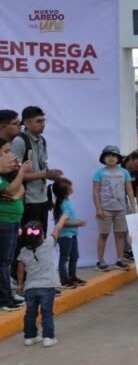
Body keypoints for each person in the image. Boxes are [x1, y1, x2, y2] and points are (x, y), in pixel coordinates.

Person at [16, 215, 69, 347]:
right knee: (46, 313)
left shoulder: (23, 251)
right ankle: (48, 337)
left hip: (30, 288)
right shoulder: (48, 244)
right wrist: (63, 217)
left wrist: (20, 284)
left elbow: (20, 269)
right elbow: (57, 229)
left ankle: (30, 337)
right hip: (47, 286)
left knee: (30, 313)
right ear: (41, 235)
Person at [11, 106, 63, 232]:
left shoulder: (42, 141)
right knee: (27, 241)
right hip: (27, 200)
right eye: (38, 121)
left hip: (42, 198)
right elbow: (14, 175)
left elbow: (43, 168)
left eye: (44, 121)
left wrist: (54, 176)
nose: (43, 124)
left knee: (41, 239)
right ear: (27, 123)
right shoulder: (19, 141)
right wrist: (45, 175)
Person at [92, 146, 136, 271]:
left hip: (121, 208)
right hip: (105, 209)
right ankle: (100, 261)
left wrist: (132, 206)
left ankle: (120, 259)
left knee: (120, 234)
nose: (111, 158)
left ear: (118, 158)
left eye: (114, 156)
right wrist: (98, 209)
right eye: (108, 156)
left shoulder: (124, 172)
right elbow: (95, 192)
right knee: (103, 234)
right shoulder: (100, 173)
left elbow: (129, 190)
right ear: (103, 158)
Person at [0, 148, 30, 311]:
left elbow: (19, 190)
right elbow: (11, 189)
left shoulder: (9, 175)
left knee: (7, 261)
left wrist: (16, 194)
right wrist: (23, 171)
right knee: (3, 263)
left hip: (13, 222)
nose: (10, 156)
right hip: (4, 222)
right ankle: (5, 299)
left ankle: (7, 296)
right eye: (6, 152)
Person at [51, 178, 85, 288]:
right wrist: (77, 224)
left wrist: (76, 222)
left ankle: (72, 276)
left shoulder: (66, 202)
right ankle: (64, 280)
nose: (72, 188)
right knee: (64, 257)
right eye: (69, 187)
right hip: (65, 235)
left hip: (72, 234)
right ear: (65, 191)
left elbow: (69, 217)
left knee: (74, 256)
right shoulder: (62, 204)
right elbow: (63, 222)